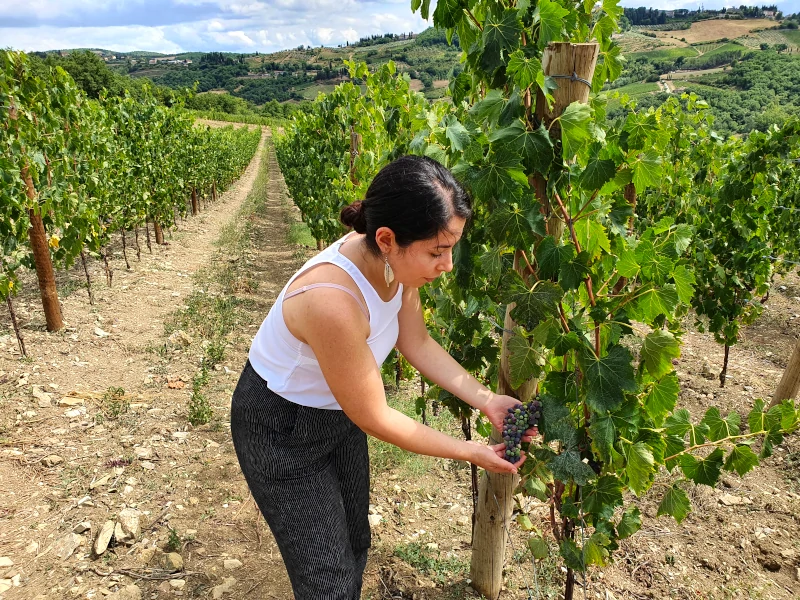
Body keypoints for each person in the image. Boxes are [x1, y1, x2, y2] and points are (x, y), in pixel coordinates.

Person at [230, 155, 536, 599]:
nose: (447, 265)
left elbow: (418, 343)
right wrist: (469, 450)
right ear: (388, 238)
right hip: (280, 429)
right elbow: (375, 415)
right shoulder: (332, 301)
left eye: (451, 248)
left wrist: (486, 399)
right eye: (437, 251)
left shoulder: (395, 265)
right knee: (326, 582)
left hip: (336, 414)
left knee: (355, 543)